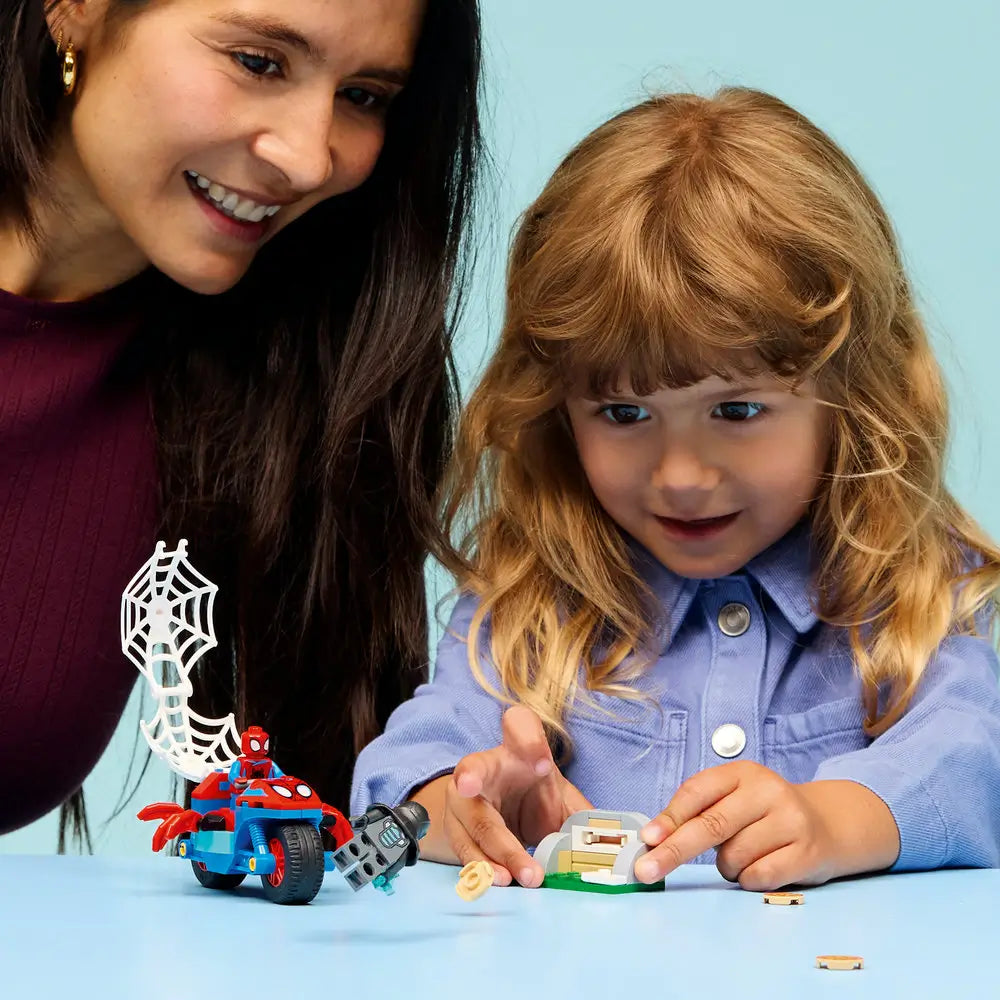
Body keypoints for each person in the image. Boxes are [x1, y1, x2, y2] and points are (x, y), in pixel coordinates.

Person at [351, 87, 1000, 892]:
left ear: (850, 399)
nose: (680, 475)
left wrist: (837, 820)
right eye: (624, 412)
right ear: (560, 411)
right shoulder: (534, 596)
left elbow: (976, 756)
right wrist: (467, 805)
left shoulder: (917, 590)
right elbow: (420, 752)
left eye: (737, 410)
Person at [0, 0, 482, 845]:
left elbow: (326, 831)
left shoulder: (265, 388)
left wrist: (447, 809)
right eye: (259, 62)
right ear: (74, 10)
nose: (307, 157)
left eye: (364, 96)